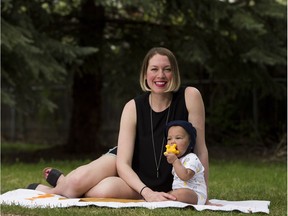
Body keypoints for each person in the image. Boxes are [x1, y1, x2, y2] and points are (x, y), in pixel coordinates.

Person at [28, 47, 210, 203]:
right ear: (145, 74)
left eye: (167, 69)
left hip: (166, 176)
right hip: (127, 162)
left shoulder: (190, 96)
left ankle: (63, 181)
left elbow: (200, 150)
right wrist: (146, 192)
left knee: (101, 193)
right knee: (75, 183)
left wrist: (204, 195)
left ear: (174, 73)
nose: (160, 75)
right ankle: (52, 190)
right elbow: (123, 162)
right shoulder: (132, 106)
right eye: (154, 69)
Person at [164, 120, 207, 205]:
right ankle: (167, 197)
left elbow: (185, 176)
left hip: (196, 195)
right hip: (180, 192)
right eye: (169, 139)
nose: (172, 142)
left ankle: (167, 197)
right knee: (174, 193)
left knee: (181, 193)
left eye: (178, 138)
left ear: (190, 143)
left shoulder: (192, 158)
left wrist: (175, 161)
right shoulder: (179, 160)